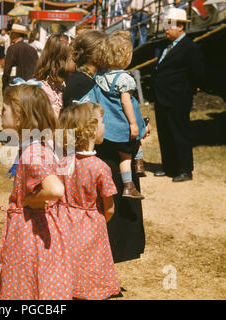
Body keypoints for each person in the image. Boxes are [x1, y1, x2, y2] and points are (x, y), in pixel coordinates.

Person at [63, 29, 146, 265]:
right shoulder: (83, 82)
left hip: (114, 150)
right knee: (109, 214)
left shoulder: (99, 78)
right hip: (105, 155)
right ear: (96, 54)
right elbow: (84, 121)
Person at [0, 81, 73, 300]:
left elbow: (55, 188)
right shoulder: (42, 144)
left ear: (19, 118)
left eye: (4, 110)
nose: (0, 114)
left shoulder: (32, 152)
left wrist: (29, 200)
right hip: (42, 229)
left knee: (24, 284)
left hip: (30, 233)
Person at [58, 102, 121, 300]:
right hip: (91, 225)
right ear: (92, 130)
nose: (105, 125)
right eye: (102, 121)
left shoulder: (63, 161)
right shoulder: (100, 167)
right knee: (92, 269)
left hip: (63, 222)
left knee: (67, 268)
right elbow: (109, 208)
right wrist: (100, 221)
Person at [91, 31, 147, 199]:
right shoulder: (124, 78)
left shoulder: (99, 76)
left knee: (125, 154)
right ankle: (130, 181)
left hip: (110, 123)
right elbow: (126, 102)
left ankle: (135, 169)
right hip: (124, 123)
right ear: (126, 56)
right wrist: (133, 123)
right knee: (131, 148)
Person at [151, 8, 204, 182]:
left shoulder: (190, 47)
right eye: (165, 26)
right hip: (162, 97)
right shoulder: (167, 47)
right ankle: (169, 166)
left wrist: (189, 90)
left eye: (169, 26)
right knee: (165, 132)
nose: (166, 29)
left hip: (178, 97)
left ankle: (184, 169)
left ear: (180, 26)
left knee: (179, 133)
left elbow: (196, 73)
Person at [33, 33, 75, 118]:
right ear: (61, 59)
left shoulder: (63, 86)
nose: (77, 60)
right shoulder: (41, 91)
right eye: (74, 56)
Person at [2, 24, 39, 94]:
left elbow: (7, 71)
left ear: (15, 34)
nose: (10, 36)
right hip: (31, 88)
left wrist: (4, 86)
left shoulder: (12, 49)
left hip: (16, 87)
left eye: (11, 34)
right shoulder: (32, 50)